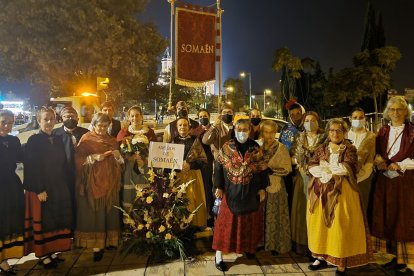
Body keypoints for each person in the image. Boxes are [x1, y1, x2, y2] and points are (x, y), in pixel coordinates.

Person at [307, 118, 373, 275]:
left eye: (338, 130)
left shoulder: (349, 148)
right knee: (320, 226)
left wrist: (328, 169)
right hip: (320, 191)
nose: (335, 133)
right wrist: (322, 171)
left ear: (344, 132)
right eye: (331, 130)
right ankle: (321, 256)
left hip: (342, 192)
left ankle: (341, 261)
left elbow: (348, 167)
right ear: (328, 132)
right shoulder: (322, 147)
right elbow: (311, 164)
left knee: (340, 226)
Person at [212, 119, 267, 272]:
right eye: (239, 129)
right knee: (225, 226)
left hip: (250, 192)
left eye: (245, 129)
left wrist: (262, 188)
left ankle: (248, 248)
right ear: (234, 130)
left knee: (248, 223)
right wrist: (219, 186)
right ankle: (218, 255)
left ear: (250, 130)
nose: (242, 132)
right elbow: (218, 167)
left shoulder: (255, 148)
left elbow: (262, 169)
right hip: (230, 192)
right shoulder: (226, 147)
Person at [23, 107, 73, 268]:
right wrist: (39, 189)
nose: (49, 122)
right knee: (44, 221)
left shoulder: (58, 139)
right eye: (46, 119)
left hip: (58, 185)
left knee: (55, 221)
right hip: (43, 187)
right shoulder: (34, 141)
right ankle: (43, 254)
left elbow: (64, 163)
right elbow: (31, 166)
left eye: (52, 119)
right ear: (39, 121)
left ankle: (52, 251)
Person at [371, 96, 414, 273]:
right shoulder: (382, 131)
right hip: (386, 181)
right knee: (391, 218)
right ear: (388, 112)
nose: (396, 113)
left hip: (405, 182)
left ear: (406, 111)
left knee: (406, 220)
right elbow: (376, 153)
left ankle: (411, 262)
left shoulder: (412, 132)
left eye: (399, 109)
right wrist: (378, 160)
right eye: (392, 109)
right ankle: (398, 258)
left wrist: (401, 165)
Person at [74, 113, 124, 262]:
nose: (102, 128)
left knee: (109, 212)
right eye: (99, 125)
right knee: (95, 214)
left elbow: (121, 162)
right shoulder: (86, 139)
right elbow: (77, 159)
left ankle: (109, 241)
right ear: (94, 124)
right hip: (92, 184)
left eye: (105, 125)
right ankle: (97, 247)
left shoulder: (112, 140)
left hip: (110, 182)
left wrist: (117, 156)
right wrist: (93, 157)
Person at [290, 111, 326, 255]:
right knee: (302, 210)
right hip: (302, 177)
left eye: (313, 120)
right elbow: (292, 155)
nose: (309, 123)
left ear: (318, 122)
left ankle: (318, 246)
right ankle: (303, 245)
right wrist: (298, 163)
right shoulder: (298, 137)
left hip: (320, 179)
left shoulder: (325, 138)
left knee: (317, 211)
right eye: (307, 120)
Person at [256, 120, 292, 255]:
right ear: (262, 133)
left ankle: (275, 243)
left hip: (275, 185)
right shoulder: (257, 146)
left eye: (272, 132)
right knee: (259, 214)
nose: (269, 135)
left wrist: (270, 169)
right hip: (259, 186)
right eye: (266, 132)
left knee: (275, 214)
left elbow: (287, 169)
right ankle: (260, 242)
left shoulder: (281, 148)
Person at [116, 105, 156, 211]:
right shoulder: (123, 133)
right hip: (129, 169)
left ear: (142, 117)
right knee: (130, 194)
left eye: (137, 115)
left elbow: (155, 151)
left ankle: (145, 223)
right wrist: (130, 157)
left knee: (145, 195)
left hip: (146, 168)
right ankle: (130, 223)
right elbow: (118, 153)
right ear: (129, 118)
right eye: (132, 116)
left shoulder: (149, 132)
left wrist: (145, 160)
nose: (135, 118)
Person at [0, 110, 24, 274]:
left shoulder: (14, 140)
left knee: (8, 223)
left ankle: (4, 259)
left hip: (11, 185)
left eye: (10, 122)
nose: (7, 126)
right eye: (3, 122)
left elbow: (22, 157)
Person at [52, 106, 89, 215]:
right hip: (62, 175)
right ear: (61, 118)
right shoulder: (54, 134)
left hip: (82, 174)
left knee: (81, 202)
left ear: (77, 118)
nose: (70, 118)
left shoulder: (86, 133)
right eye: (66, 116)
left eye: (72, 116)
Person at [172, 117, 208, 227]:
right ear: (177, 128)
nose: (182, 127)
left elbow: (203, 161)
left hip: (194, 177)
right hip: (178, 178)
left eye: (185, 125)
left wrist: (190, 165)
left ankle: (196, 227)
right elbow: (168, 163)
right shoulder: (173, 142)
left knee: (195, 201)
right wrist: (178, 167)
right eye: (180, 125)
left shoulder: (195, 141)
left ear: (189, 127)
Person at [345, 107, 375, 216]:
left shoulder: (371, 137)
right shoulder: (344, 135)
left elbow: (372, 157)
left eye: (361, 117)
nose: (358, 120)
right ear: (350, 119)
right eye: (355, 117)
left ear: (365, 119)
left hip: (364, 177)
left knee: (362, 208)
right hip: (345, 178)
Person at [279, 100, 305, 214]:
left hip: (304, 169)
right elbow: (280, 147)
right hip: (288, 169)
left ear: (302, 114)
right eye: (292, 115)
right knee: (290, 196)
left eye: (297, 114)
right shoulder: (285, 129)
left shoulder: (308, 127)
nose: (295, 117)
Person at [194, 109, 215, 227]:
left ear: (209, 116)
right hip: (204, 166)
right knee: (206, 191)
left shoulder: (215, 129)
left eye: (205, 116)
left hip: (216, 163)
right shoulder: (196, 132)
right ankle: (208, 217)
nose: (203, 118)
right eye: (200, 116)